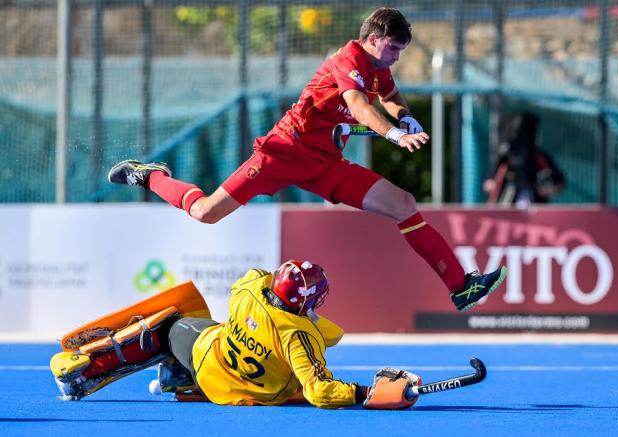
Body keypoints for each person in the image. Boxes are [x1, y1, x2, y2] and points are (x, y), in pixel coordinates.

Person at [108, 7, 506, 312]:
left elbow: (388, 95)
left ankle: (461, 287)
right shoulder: (348, 61)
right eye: (394, 48)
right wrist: (394, 134)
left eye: (401, 50)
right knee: (207, 212)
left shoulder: (378, 66)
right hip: (283, 152)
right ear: (372, 38)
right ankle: (152, 176)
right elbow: (359, 105)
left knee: (404, 204)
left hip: (325, 164)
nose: (397, 57)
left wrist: (405, 115)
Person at [52, 260, 422, 410]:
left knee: (170, 326)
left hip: (209, 362)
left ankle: (90, 367)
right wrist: (364, 393)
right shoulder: (304, 337)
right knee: (295, 378)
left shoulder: (248, 290)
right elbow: (320, 390)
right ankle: (177, 377)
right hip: (248, 395)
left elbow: (256, 276)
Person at [483, 111, 565, 209]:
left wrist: (549, 189)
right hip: (507, 203)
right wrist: (492, 184)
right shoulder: (505, 157)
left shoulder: (539, 157)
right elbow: (489, 182)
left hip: (535, 204)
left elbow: (559, 182)